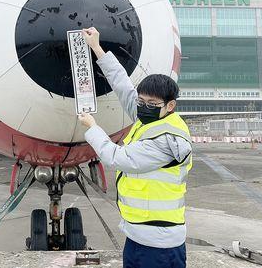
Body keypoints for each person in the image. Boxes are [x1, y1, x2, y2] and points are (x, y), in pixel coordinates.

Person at [77, 27, 192, 268]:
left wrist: (92, 126)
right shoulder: (150, 118)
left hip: (159, 242)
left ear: (170, 105)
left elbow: (116, 157)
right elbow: (122, 85)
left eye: (151, 103)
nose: (143, 106)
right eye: (141, 101)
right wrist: (97, 48)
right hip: (139, 234)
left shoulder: (168, 140)